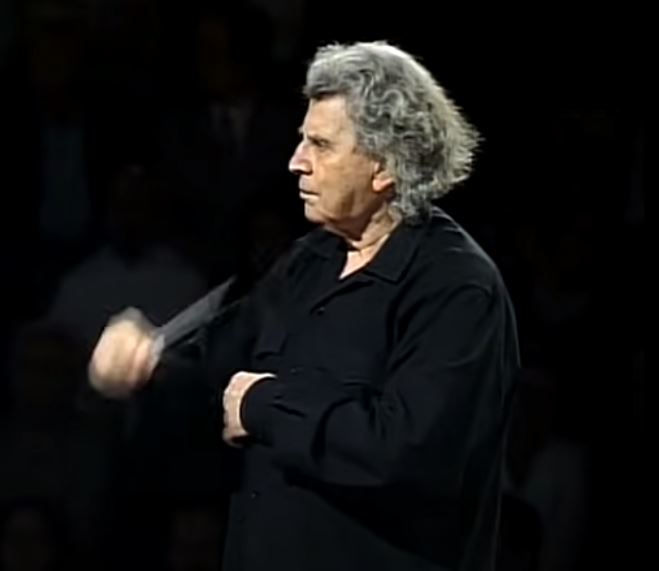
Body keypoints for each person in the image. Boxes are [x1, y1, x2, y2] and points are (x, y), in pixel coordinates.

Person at [89, 41, 520, 571]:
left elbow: (407, 450)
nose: (296, 162)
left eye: (320, 145)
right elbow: (217, 362)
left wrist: (264, 406)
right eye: (302, 140)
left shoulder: (456, 287)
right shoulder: (308, 260)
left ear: (384, 166)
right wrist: (145, 360)